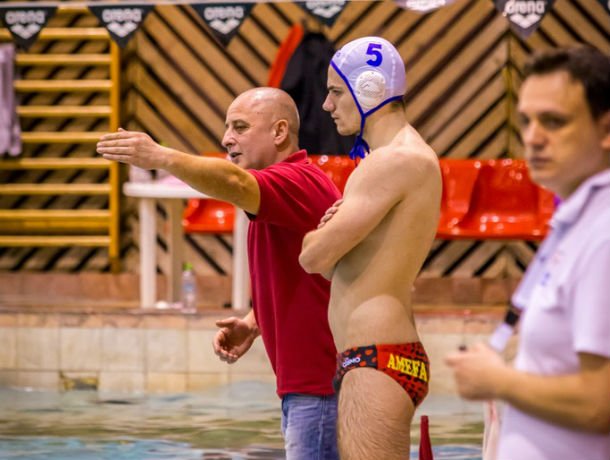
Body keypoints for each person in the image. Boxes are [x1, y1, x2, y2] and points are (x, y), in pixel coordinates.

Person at [97, 87, 340, 459]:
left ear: (279, 132)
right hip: (311, 385)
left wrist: (161, 156)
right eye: (227, 127)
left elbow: (233, 182)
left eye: (240, 127)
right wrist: (256, 321)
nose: (227, 139)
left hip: (318, 387)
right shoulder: (287, 189)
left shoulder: (296, 181)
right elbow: (313, 280)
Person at [445, 45, 610, 460]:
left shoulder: (603, 233)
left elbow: (601, 404)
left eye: (554, 121)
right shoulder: (579, 219)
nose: (532, 137)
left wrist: (498, 381)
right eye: (526, 121)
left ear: (606, 130)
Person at [299, 36, 442, 458]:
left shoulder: (392, 161)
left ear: (369, 90)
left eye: (336, 91)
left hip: (376, 357)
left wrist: (316, 237)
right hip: (377, 354)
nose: (326, 104)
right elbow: (336, 268)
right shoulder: (400, 158)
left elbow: (313, 258)